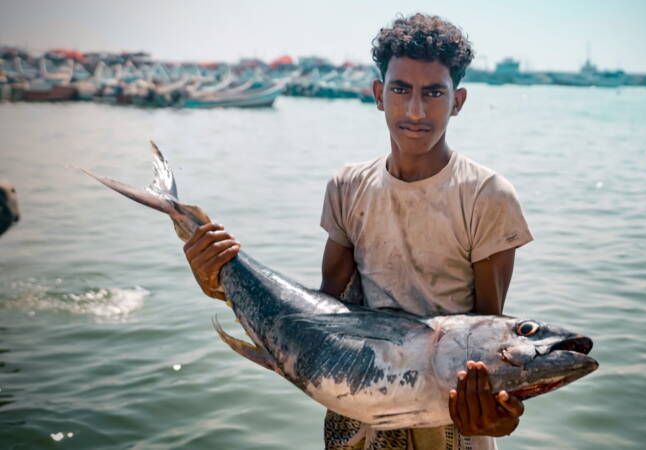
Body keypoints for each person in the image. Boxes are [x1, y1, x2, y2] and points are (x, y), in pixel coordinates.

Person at [183, 13, 533, 450]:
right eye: (400, 89)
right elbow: (324, 314)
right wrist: (220, 283)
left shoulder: (488, 195)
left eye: (434, 93)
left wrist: (497, 416)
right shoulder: (348, 186)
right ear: (378, 95)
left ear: (457, 101)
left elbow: (487, 333)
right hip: (355, 419)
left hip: (447, 427)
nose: (415, 110)